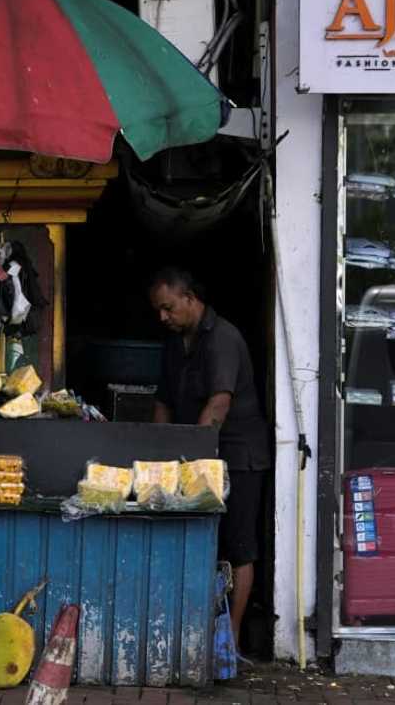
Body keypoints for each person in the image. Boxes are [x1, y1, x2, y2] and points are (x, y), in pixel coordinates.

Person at [149, 267, 270, 659]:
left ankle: (229, 640)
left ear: (190, 299)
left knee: (239, 547)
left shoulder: (223, 338)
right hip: (195, 455)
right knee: (204, 542)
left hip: (238, 456)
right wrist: (160, 456)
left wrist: (192, 456)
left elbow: (219, 403)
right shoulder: (173, 343)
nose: (162, 317)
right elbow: (163, 402)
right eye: (159, 311)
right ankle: (198, 632)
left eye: (168, 308)